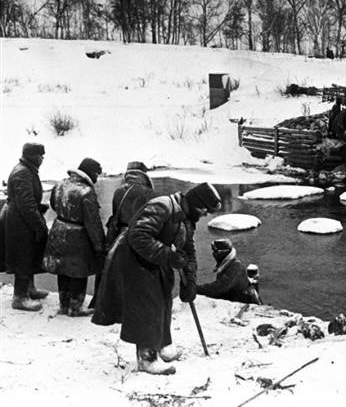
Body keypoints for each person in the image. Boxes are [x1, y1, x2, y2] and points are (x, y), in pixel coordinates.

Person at [92, 182, 221, 375]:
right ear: (197, 204)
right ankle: (147, 357)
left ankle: (162, 345)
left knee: (164, 299)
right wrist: (169, 256)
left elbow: (188, 250)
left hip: (154, 259)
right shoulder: (161, 207)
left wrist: (190, 281)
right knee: (147, 305)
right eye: (205, 210)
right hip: (131, 258)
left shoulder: (186, 218)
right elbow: (138, 236)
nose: (205, 215)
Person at [89, 161, 156, 310]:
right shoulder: (148, 193)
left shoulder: (119, 191)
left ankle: (101, 302)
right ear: (144, 175)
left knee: (110, 268)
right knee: (135, 272)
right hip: (137, 236)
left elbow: (116, 214)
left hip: (117, 234)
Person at [43, 158, 105, 316]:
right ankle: (76, 307)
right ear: (90, 173)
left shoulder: (60, 184)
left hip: (58, 230)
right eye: (97, 174)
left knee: (62, 269)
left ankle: (64, 304)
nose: (97, 178)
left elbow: (53, 205)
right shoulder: (86, 192)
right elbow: (93, 222)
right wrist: (99, 246)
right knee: (78, 271)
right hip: (78, 236)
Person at [0, 143, 49, 311]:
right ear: (31, 155)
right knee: (23, 254)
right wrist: (40, 225)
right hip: (18, 221)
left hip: (20, 217)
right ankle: (20, 297)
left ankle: (30, 288)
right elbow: (26, 204)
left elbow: (27, 201)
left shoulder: (27, 170)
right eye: (40, 155)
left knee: (30, 252)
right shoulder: (22, 173)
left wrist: (39, 207)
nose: (43, 157)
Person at [196, 239, 262, 304]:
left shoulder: (235, 268)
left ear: (222, 252)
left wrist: (196, 289)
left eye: (215, 251)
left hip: (244, 305)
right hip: (236, 301)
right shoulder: (227, 265)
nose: (213, 254)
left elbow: (220, 287)